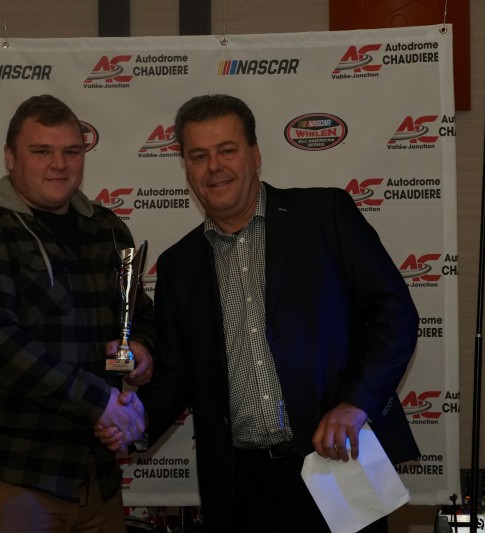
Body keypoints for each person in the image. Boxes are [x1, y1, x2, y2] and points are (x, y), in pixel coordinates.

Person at [99, 94, 420, 533]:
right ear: (187, 168)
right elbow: (177, 374)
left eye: (227, 150)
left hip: (339, 462)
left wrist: (355, 404)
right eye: (199, 156)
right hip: (241, 487)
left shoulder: (324, 215)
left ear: (255, 154)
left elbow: (395, 314)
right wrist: (137, 418)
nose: (214, 166)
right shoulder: (179, 264)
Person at [0, 94, 153, 533]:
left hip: (95, 477)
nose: (59, 164)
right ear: (10, 157)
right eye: (41, 151)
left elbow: (138, 314)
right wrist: (99, 402)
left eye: (71, 151)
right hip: (0, 471)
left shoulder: (108, 229)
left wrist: (140, 352)